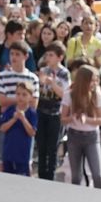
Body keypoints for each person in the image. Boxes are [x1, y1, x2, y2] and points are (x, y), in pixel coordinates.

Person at [60, 64, 101, 187]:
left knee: (97, 175)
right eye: (92, 81)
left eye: (96, 81)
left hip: (91, 137)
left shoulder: (97, 95)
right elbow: (63, 119)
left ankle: (100, 199)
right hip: (74, 136)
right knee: (76, 176)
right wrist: (72, 118)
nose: (94, 84)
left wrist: (88, 119)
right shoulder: (69, 94)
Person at [36, 41, 70, 181]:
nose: (48, 58)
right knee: (41, 144)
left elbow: (64, 94)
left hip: (56, 112)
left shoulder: (64, 73)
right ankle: (41, 173)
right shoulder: (44, 70)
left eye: (51, 55)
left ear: (59, 57)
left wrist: (52, 83)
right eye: (47, 55)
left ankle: (50, 175)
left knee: (52, 146)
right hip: (42, 110)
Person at [0, 82, 38, 176]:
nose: (20, 97)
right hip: (8, 154)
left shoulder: (32, 113)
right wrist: (14, 119)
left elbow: (32, 132)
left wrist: (23, 119)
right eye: (18, 94)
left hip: (23, 156)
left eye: (24, 94)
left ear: (30, 97)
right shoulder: (10, 110)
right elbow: (2, 128)